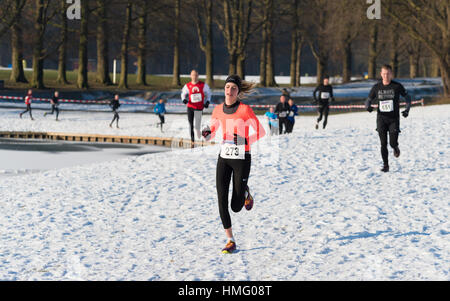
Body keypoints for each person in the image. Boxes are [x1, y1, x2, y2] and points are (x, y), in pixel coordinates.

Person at [201, 74, 266, 254]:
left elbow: (260, 132)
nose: (230, 91)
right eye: (227, 87)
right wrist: (206, 133)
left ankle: (245, 192)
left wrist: (245, 139)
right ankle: (230, 240)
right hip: (224, 157)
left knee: (235, 207)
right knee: (221, 199)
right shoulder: (217, 110)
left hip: (242, 158)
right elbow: (212, 132)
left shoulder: (245, 110)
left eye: (233, 88)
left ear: (238, 92)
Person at [365, 64, 411, 172]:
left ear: (391, 74)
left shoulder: (397, 86)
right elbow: (368, 100)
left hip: (393, 119)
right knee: (383, 143)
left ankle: (395, 147)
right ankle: (386, 165)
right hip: (381, 118)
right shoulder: (376, 87)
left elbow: (408, 98)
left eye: (388, 74)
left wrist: (407, 109)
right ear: (381, 74)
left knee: (392, 143)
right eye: (384, 74)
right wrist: (368, 107)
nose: (386, 76)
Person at [181, 70, 212, 145]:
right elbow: (183, 94)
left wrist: (207, 102)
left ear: (198, 76)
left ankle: (198, 132)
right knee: (190, 124)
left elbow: (209, 94)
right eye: (193, 75)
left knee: (197, 125)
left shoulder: (203, 85)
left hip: (199, 107)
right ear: (190, 76)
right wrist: (184, 100)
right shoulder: (187, 85)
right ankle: (192, 140)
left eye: (196, 75)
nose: (194, 77)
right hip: (190, 107)